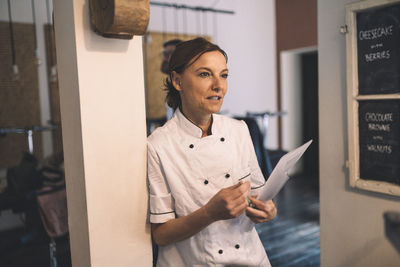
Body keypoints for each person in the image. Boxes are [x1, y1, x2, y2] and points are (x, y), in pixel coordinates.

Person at [147, 37, 277, 266]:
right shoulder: (158, 145)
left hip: (252, 258)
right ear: (177, 81)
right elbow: (161, 234)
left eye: (224, 75)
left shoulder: (239, 130)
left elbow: (258, 195)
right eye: (205, 74)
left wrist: (267, 211)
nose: (219, 85)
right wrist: (210, 213)